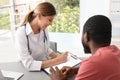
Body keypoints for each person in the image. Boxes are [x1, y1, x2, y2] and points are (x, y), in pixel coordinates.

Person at [50, 15, 120, 80]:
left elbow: (95, 65)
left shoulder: (92, 63)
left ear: (86, 36)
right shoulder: (116, 52)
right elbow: (105, 67)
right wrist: (76, 70)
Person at [15, 2, 68, 71]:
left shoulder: (44, 29)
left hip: (44, 67)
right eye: (49, 20)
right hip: (27, 70)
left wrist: (58, 56)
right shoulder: (21, 33)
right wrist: (58, 60)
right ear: (39, 16)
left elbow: (46, 49)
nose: (51, 24)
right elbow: (29, 64)